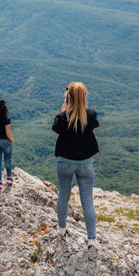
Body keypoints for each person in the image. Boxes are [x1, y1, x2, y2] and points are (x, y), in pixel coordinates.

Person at [52, 82, 99, 248]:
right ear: (84, 97)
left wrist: (64, 110)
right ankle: (91, 239)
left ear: (68, 97)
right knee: (87, 201)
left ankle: (61, 228)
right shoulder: (91, 115)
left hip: (65, 162)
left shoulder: (63, 117)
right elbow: (93, 124)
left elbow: (57, 128)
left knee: (63, 195)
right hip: (86, 164)